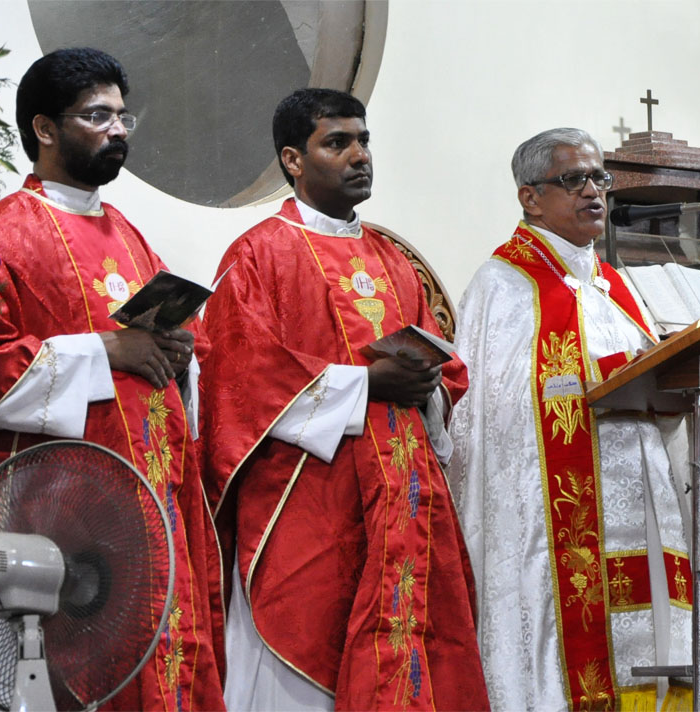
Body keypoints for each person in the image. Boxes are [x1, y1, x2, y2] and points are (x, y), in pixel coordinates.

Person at [0, 48, 225, 711]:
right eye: (96, 116)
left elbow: (162, 356)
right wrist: (105, 353)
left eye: (123, 117)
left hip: (149, 505)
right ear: (45, 129)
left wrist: (177, 355)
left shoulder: (130, 236)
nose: (117, 130)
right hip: (52, 513)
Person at [201, 88, 488, 712]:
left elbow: (444, 359)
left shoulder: (394, 259)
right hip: (310, 502)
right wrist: (365, 384)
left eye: (364, 141)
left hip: (403, 498)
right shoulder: (259, 253)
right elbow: (239, 373)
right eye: (338, 143)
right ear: (293, 159)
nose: (360, 155)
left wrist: (429, 383)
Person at [448, 128, 694, 711]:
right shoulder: (502, 283)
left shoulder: (614, 286)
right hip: (556, 524)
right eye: (574, 180)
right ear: (529, 198)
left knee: (651, 649)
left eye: (600, 179)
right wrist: (606, 374)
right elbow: (498, 413)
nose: (594, 193)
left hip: (642, 508)